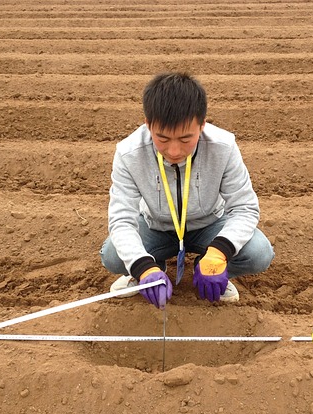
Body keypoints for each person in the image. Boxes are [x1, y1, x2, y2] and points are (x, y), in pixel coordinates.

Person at [99, 72, 274, 309]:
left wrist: (219, 252)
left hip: (209, 225)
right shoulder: (129, 153)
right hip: (156, 227)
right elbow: (121, 220)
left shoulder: (223, 148)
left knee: (259, 253)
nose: (173, 151)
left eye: (185, 139)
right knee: (112, 255)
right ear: (148, 124)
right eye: (162, 139)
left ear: (202, 125)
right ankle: (152, 268)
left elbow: (244, 208)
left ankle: (211, 267)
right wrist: (142, 266)